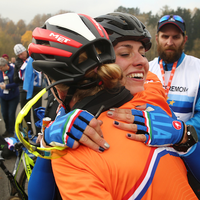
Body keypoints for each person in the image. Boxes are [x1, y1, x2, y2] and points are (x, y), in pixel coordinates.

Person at [27, 13, 198, 200]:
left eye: (142, 52)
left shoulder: (151, 82)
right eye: (125, 53)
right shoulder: (74, 114)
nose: (143, 61)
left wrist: (184, 135)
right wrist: (47, 145)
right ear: (98, 64)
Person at [149, 14, 200, 141]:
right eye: (165, 36)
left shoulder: (198, 68)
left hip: (185, 146)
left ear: (185, 39)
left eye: (176, 37)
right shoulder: (146, 69)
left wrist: (176, 135)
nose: (169, 42)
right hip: (150, 144)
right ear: (157, 39)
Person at [13, 44, 43, 135]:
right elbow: (15, 79)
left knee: (36, 112)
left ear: (25, 51)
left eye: (21, 54)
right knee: (25, 112)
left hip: (36, 89)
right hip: (24, 90)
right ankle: (28, 131)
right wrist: (21, 75)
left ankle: (39, 132)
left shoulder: (34, 58)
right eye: (18, 55)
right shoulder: (18, 63)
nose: (20, 56)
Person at [0, 57, 19, 137]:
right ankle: (7, 130)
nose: (0, 69)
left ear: (5, 65)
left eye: (1, 68)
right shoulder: (0, 71)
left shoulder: (13, 70)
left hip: (13, 97)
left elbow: (17, 83)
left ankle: (11, 132)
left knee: (11, 115)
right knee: (4, 114)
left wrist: (7, 86)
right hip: (3, 97)